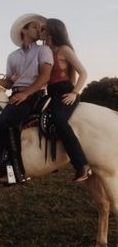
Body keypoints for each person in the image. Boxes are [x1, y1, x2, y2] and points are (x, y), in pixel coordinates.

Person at [0, 13, 54, 183]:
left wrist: (26, 93)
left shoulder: (44, 50)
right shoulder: (12, 56)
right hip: (16, 94)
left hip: (33, 93)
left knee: (7, 121)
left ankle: (15, 172)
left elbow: (45, 76)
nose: (39, 30)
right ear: (24, 30)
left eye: (40, 28)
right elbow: (8, 82)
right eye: (34, 26)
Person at [39, 18, 92, 182]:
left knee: (59, 119)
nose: (41, 32)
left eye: (44, 29)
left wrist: (75, 93)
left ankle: (82, 165)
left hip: (66, 91)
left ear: (52, 31)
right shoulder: (45, 50)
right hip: (51, 93)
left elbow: (83, 72)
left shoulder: (64, 50)